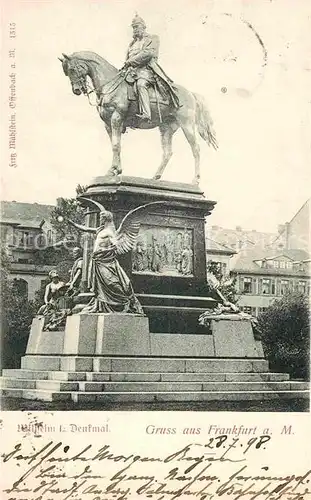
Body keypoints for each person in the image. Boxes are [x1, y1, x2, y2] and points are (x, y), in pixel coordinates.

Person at [69, 209, 144, 314]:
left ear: (106, 218)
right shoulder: (100, 230)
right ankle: (103, 304)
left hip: (106, 261)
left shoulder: (110, 231)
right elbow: (86, 228)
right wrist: (73, 224)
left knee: (112, 283)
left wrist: (104, 250)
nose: (100, 219)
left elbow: (115, 245)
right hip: (98, 261)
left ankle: (124, 302)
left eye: (101, 217)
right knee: (102, 286)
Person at [123, 13, 179, 121]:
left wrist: (130, 61)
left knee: (140, 84)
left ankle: (146, 113)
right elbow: (128, 58)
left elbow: (148, 54)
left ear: (143, 27)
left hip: (147, 70)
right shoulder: (132, 44)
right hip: (131, 71)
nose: (135, 29)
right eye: (133, 27)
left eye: (137, 27)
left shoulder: (153, 38)